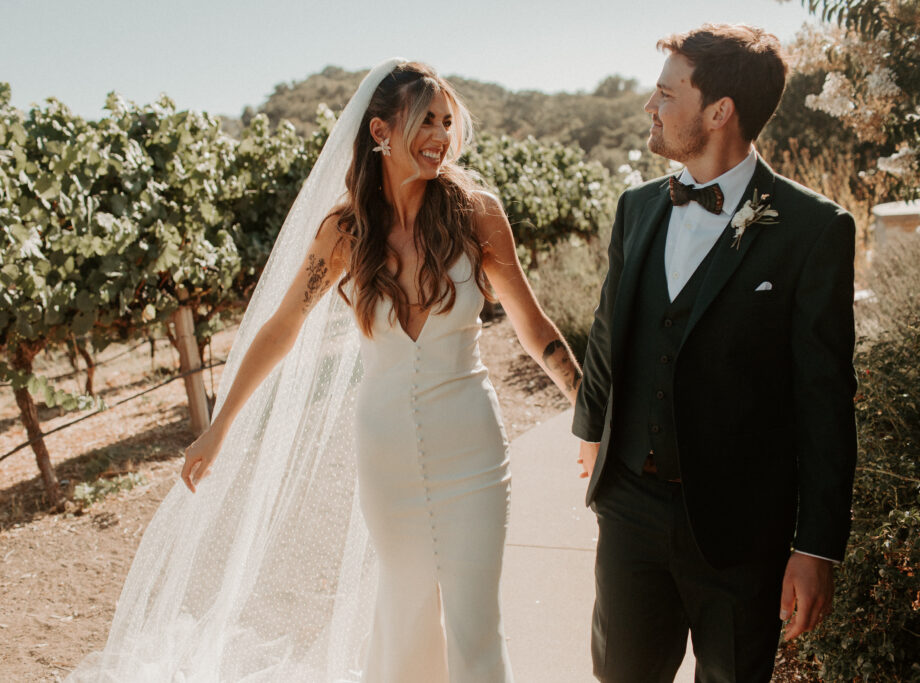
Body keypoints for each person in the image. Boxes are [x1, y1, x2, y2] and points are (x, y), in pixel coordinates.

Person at [70, 60, 580, 683]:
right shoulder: (345, 231)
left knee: (475, 623)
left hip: (472, 444)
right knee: (407, 614)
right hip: (387, 451)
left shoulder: (477, 214)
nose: (441, 135)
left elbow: (533, 325)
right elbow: (282, 327)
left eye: (448, 122)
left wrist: (587, 412)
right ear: (380, 132)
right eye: (426, 120)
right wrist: (220, 425)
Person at [572, 24, 857, 682]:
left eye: (666, 94)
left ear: (719, 111)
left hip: (740, 528)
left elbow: (824, 399)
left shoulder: (814, 229)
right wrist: (591, 427)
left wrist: (817, 545)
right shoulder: (637, 208)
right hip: (629, 511)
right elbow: (609, 329)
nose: (651, 106)